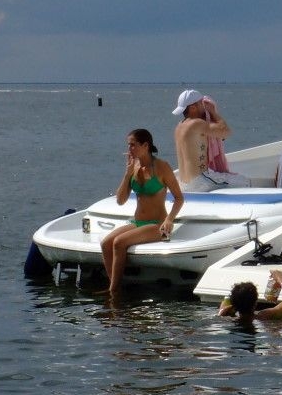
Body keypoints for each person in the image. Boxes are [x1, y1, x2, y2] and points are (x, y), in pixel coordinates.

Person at [100, 129, 184, 295]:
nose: (129, 149)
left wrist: (169, 220)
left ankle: (113, 291)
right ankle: (114, 285)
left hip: (157, 225)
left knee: (119, 242)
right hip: (137, 222)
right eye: (128, 145)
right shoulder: (134, 167)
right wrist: (127, 174)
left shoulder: (162, 167)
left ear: (146, 145)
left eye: (133, 145)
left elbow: (179, 198)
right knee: (106, 243)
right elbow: (120, 201)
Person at [173, 89, 250, 192]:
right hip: (200, 181)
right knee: (244, 181)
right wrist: (213, 112)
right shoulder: (196, 123)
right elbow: (226, 131)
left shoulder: (179, 127)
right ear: (193, 107)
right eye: (202, 103)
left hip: (184, 183)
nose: (204, 106)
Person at [217, 269, 282, 321]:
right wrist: (280, 278)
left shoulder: (224, 314)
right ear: (256, 302)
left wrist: (234, 304)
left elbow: (227, 301)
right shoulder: (263, 316)